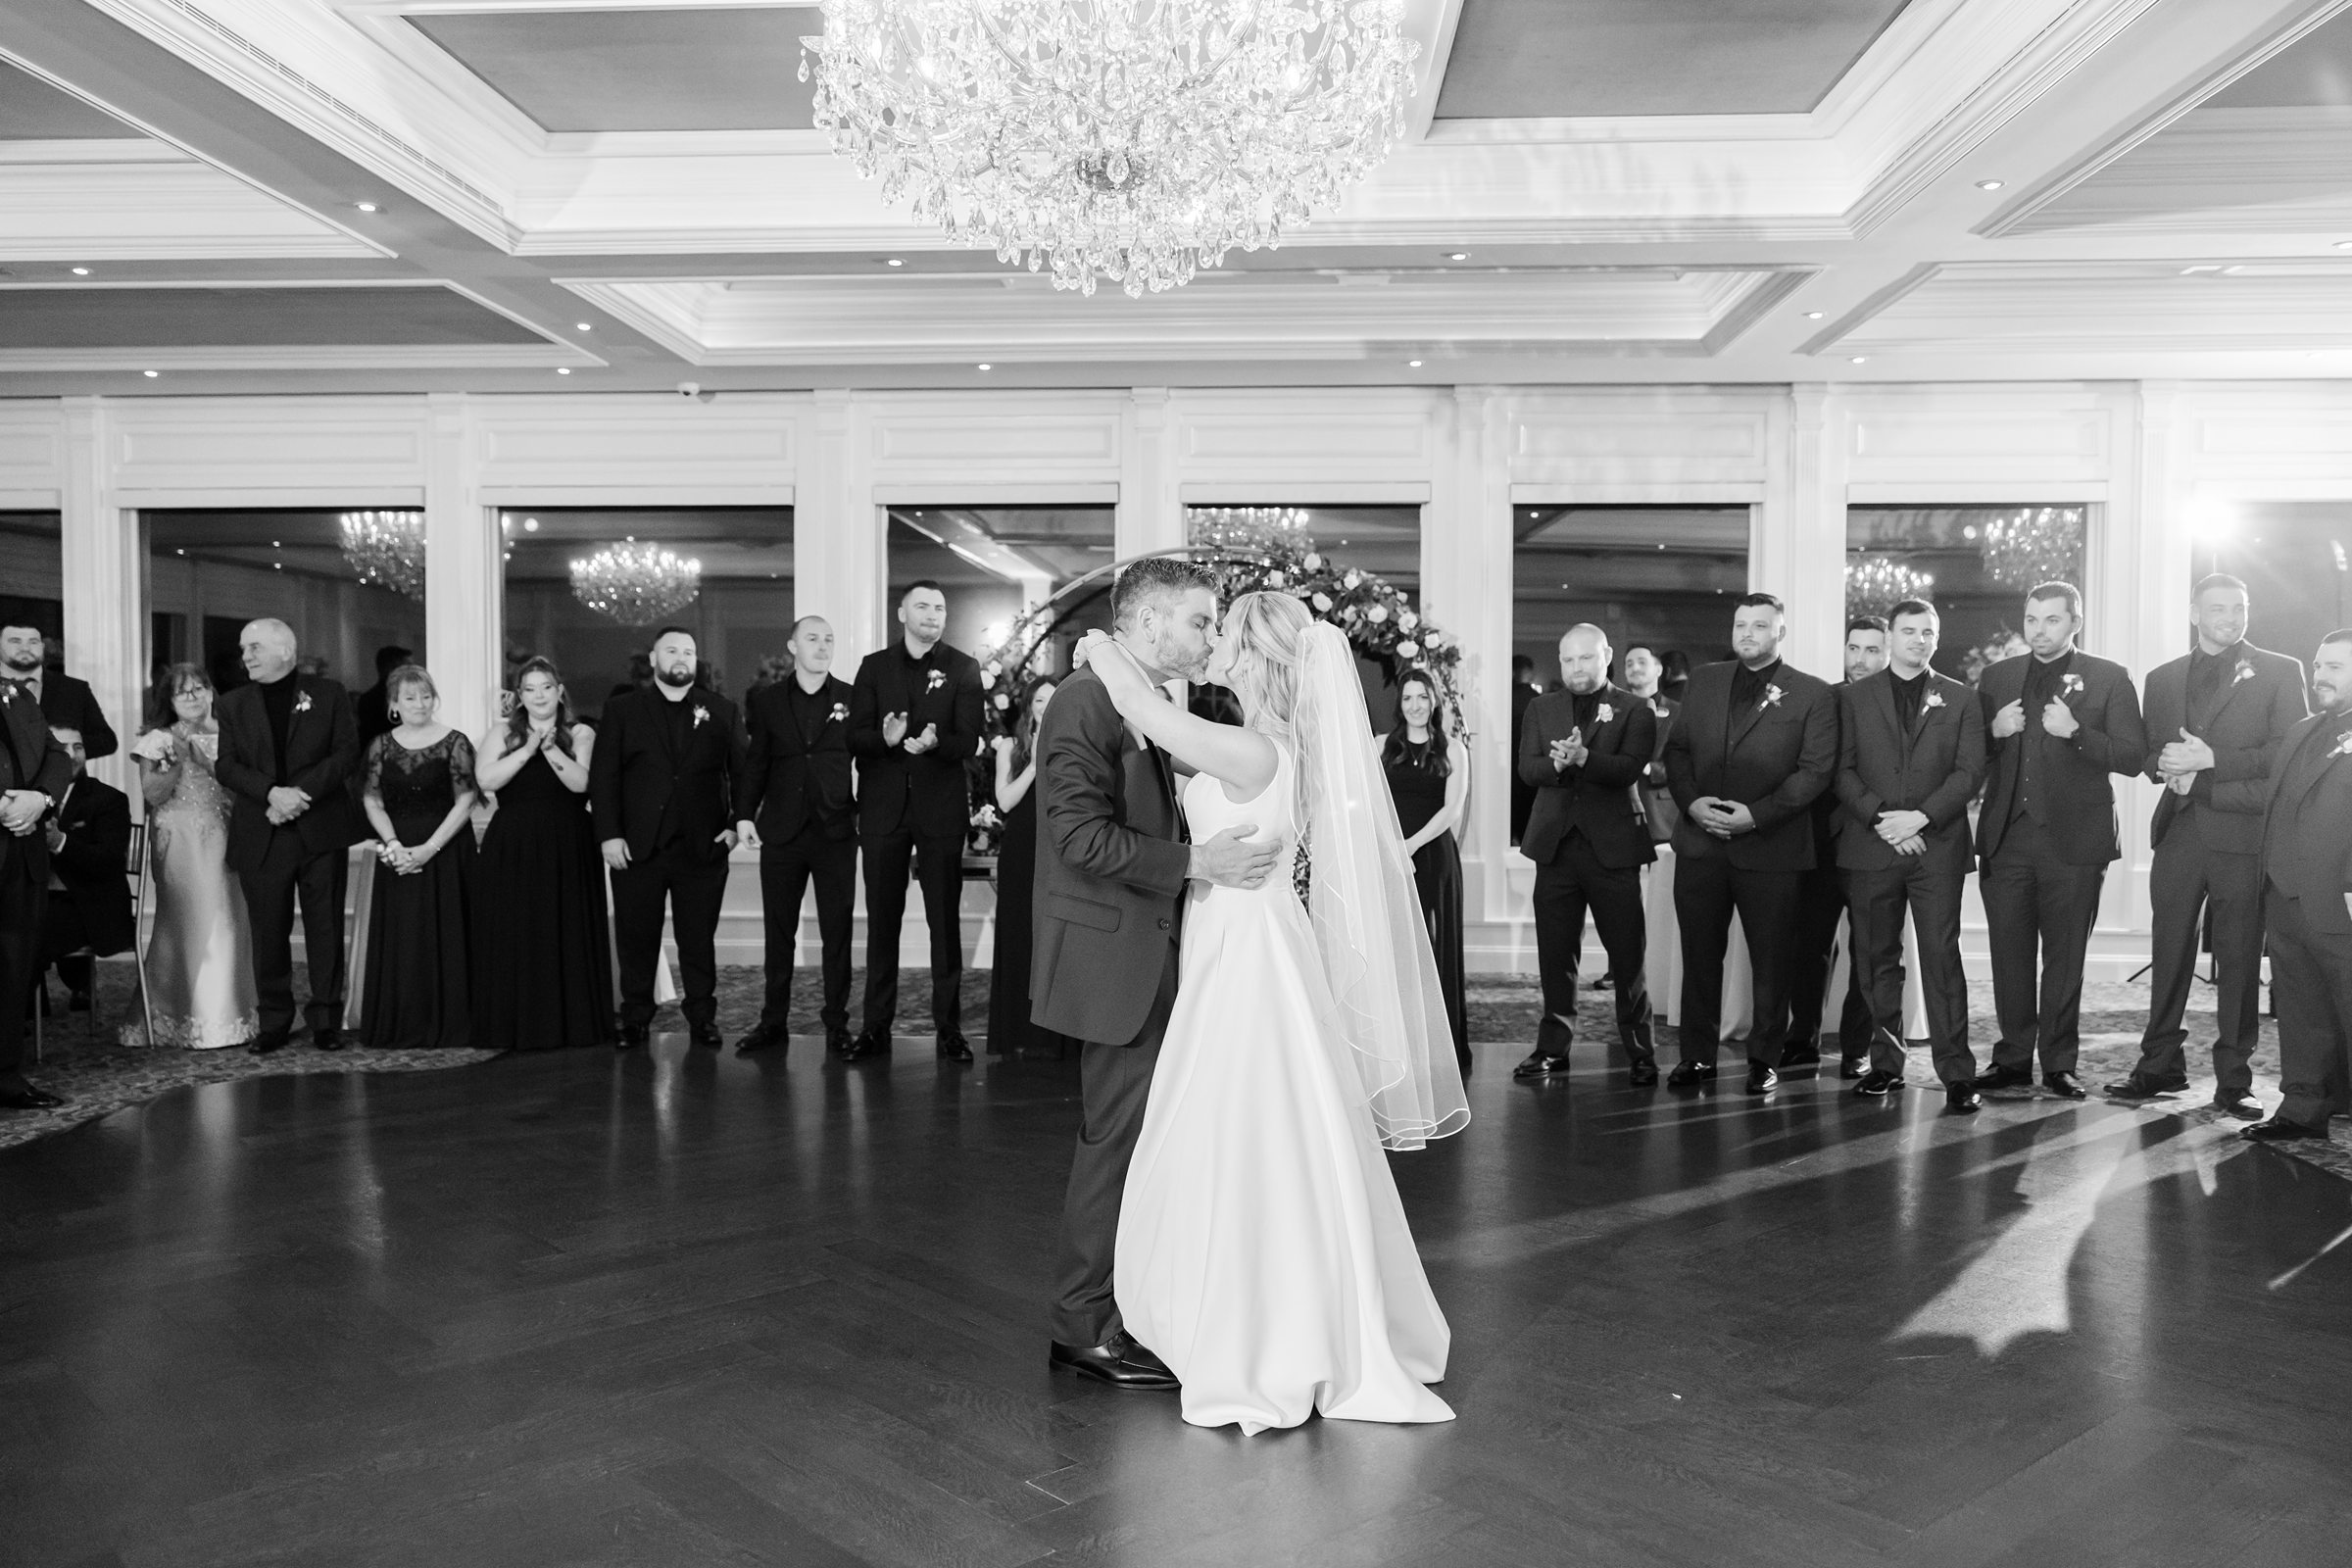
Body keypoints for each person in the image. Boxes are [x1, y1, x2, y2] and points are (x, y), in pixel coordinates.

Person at [1074, 588, 1468, 1434]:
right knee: (1264, 1120)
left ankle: (1258, 1324)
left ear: (1254, 658)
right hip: (1245, 939)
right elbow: (1163, 746)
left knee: (1242, 1119)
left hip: (1246, 952)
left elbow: (1143, 708)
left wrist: (1102, 650)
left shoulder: (1254, 749)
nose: (1211, 642)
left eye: (1224, 633)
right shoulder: (1262, 747)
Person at [1035, 559, 1285, 1392]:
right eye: (1199, 621)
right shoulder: (1082, 703)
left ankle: (1131, 1305)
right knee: (1113, 1142)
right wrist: (1196, 863)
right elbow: (1078, 838)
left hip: (1167, 953)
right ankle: (1082, 1327)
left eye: (1217, 625)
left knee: (1147, 1140)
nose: (1209, 637)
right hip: (1118, 958)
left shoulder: (1149, 701)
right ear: (1146, 625)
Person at [2108, 574, 2308, 1114]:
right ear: (2195, 613)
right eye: (2218, 608)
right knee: (2168, 951)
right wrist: (2166, 768)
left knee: (2240, 959)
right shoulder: (2163, 677)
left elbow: (2285, 755)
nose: (2231, 616)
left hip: (2242, 837)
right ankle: (2159, 1067)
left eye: (2240, 607)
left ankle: (2233, 1080)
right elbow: (2149, 752)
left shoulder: (2280, 671)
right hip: (2179, 832)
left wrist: (2211, 763)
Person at [1970, 584, 2146, 1102]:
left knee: (2065, 959)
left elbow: (2134, 756)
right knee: (2009, 954)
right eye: (2031, 619)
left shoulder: (2109, 677)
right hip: (2007, 838)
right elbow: (1966, 755)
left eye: (2051, 620)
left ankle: (2059, 1063)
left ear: (2075, 622)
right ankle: (2012, 1059)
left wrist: (2077, 733)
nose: (2039, 630)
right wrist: (1992, 731)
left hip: (2074, 842)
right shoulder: (1997, 677)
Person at [1659, 593, 1838, 1094]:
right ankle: (1697, 1057)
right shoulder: (1706, 680)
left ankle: (1764, 1058)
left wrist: (1755, 817)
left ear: (1781, 633)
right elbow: (1677, 751)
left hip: (1773, 847)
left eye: (1760, 626)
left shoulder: (1813, 694)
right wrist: (1692, 803)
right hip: (1700, 843)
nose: (1747, 634)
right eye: (1741, 625)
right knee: (1698, 957)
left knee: (1772, 962)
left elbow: (1815, 772)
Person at [1838, 600, 1988, 1114]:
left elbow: (1970, 772)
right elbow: (1842, 770)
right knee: (1877, 962)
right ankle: (1885, 1064)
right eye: (1909, 631)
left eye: (1928, 632)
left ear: (1935, 638)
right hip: (1871, 845)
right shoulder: (1855, 698)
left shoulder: (1963, 699)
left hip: (1937, 847)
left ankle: (1957, 1075)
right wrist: (1886, 819)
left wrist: (1920, 818)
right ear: (1892, 637)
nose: (1919, 640)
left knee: (1942, 959)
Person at [845, 581, 985, 1063]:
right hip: (883, 812)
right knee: (881, 925)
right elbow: (854, 738)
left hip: (940, 811)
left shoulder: (963, 667)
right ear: (902, 612)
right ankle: (874, 1028)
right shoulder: (873, 667)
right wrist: (886, 740)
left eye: (940, 607)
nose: (932, 613)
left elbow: (970, 740)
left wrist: (933, 743)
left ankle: (949, 1029)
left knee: (944, 925)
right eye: (922, 606)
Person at [213, 618, 366, 1055]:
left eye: (255, 647)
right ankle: (274, 1021)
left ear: (285, 650)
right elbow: (226, 765)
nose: (247, 657)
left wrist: (302, 795)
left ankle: (326, 1020)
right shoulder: (232, 703)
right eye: (244, 649)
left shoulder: (328, 694)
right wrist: (272, 794)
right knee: (269, 932)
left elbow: (346, 753)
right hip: (262, 830)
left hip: (320, 828)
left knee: (325, 928)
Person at [589, 626, 745, 1050]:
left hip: (703, 846)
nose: (681, 657)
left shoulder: (722, 710)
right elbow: (604, 778)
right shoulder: (623, 710)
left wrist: (734, 825)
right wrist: (608, 836)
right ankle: (636, 1017)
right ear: (655, 660)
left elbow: (743, 773)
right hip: (638, 847)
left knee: (698, 938)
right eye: (672, 650)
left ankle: (702, 1018)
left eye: (689, 652)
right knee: (637, 937)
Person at [1514, 626, 1657, 1085]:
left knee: (1627, 956)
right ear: (1560, 661)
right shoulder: (1541, 707)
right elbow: (1527, 768)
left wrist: (1583, 759)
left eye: (1586, 659)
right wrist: (1556, 765)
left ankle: (1640, 1050)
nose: (1577, 668)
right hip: (1554, 848)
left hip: (1614, 849)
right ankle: (1553, 1048)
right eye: (1569, 660)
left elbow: (1629, 768)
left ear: (1606, 656)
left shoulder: (1637, 708)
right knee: (1556, 955)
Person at [2241, 630, 2352, 1144]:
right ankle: (2303, 1109)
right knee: (2301, 1010)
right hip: (2285, 897)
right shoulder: (2302, 730)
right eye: (2318, 665)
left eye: (2335, 667)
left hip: (2343, 902)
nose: (2320, 676)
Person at [473, 657, 612, 1052]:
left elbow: (582, 784)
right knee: (515, 928)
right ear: (520, 696)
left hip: (567, 840)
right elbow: (486, 780)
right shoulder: (501, 734)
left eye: (546, 688)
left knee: (564, 927)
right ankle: (514, 1023)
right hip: (513, 841)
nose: (539, 696)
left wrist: (551, 751)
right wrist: (528, 749)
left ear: (559, 691)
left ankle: (572, 1022)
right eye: (530, 689)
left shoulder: (580, 731)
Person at [734, 617, 858, 1057]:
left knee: (837, 933)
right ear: (793, 646)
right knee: (779, 932)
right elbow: (756, 763)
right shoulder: (767, 701)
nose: (822, 647)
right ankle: (773, 1022)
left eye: (828, 639)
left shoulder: (851, 696)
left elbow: (867, 760)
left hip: (836, 831)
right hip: (782, 832)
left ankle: (837, 1025)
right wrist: (744, 815)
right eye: (812, 639)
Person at [130, 665, 259, 1050]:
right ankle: (181, 1014)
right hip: (178, 837)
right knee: (187, 922)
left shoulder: (231, 735)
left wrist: (210, 764)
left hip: (225, 832)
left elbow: (243, 788)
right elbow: (152, 796)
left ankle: (232, 1013)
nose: (192, 697)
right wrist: (174, 760)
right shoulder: (157, 739)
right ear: (169, 701)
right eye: (182, 692)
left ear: (211, 692)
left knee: (231, 919)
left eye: (199, 688)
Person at [356, 666, 478, 1050]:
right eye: (410, 698)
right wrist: (393, 845)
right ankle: (403, 1024)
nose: (419, 704)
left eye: (426, 696)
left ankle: (453, 1024)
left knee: (449, 936)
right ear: (394, 704)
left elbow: (466, 799)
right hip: (398, 850)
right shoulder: (379, 745)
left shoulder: (456, 741)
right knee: (405, 939)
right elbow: (372, 799)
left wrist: (429, 848)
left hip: (447, 848)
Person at [1784, 616, 1886, 1075]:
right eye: (1854, 648)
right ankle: (1801, 1038)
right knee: (1808, 949)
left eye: (1870, 649)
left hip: (1871, 842)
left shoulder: (1894, 705)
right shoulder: (1821, 698)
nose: (1860, 659)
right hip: (1818, 844)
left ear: (1887, 653)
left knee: (1868, 952)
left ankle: (1856, 1049)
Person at [1385, 669, 1471, 1077]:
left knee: (1435, 946)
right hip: (1389, 855)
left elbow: (1452, 809)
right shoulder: (1381, 746)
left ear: (1434, 701)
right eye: (1407, 698)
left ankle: (1441, 1043)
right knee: (1394, 946)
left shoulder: (1453, 748)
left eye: (1422, 697)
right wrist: (1389, 846)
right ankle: (1398, 1042)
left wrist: (1412, 844)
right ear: (1399, 704)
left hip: (1433, 855)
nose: (1415, 705)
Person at [988, 677, 1076, 1059]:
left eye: (1053, 697)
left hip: (1060, 846)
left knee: (1056, 935)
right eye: (1040, 698)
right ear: (1030, 706)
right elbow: (1005, 801)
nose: (1046, 704)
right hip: (1021, 847)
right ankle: (1016, 1032)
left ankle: (1059, 1036)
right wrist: (1035, 763)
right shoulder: (1010, 746)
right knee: (1020, 932)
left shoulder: (1074, 740)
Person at [0, 679, 72, 1109]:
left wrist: (39, 799)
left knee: (13, 970)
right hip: (10, 825)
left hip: (23, 856)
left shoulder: (16, 693)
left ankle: (7, 1075)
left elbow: (57, 755)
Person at [34, 726, 133, 1015]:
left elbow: (109, 863)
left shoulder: (108, 799)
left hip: (93, 905)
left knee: (23, 934)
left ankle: (17, 1018)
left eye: (78, 747)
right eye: (62, 748)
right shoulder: (34, 798)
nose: (73, 755)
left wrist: (60, 842)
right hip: (45, 900)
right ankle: (28, 1010)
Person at [1, 622, 118, 761]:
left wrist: (61, 745)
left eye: (33, 642)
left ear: (42, 647)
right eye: (15, 641)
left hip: (58, 780)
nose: (25, 648)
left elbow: (106, 741)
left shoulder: (73, 689)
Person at [1621, 644, 1679, 845]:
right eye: (1629, 664)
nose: (1634, 668)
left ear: (1659, 669)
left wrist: (1647, 768)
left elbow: (1686, 763)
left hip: (1660, 816)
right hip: (1618, 815)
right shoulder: (1613, 710)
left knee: (1662, 876)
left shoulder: (1679, 712)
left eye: (1641, 662)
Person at [1508, 654, 1541, 846]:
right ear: (1531, 672)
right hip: (1532, 768)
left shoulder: (1504, 698)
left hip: (1508, 768)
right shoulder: (1538, 701)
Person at [355, 644, 412, 750]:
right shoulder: (373, 700)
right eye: (408, 666)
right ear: (392, 668)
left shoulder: (367, 699)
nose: (413, 671)